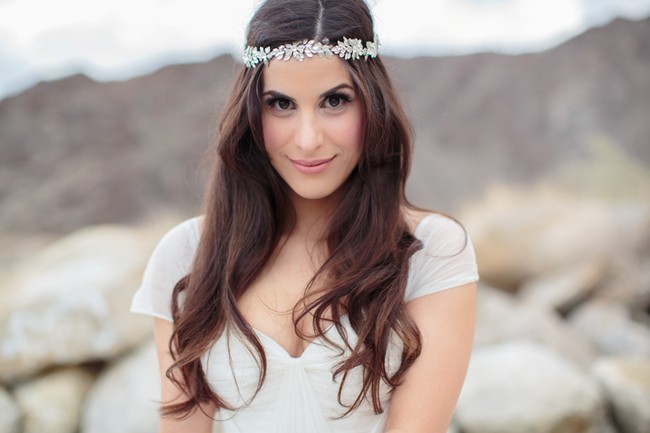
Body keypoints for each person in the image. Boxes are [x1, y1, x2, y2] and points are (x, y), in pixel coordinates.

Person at [131, 0, 479, 432]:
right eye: (281, 104)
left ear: (372, 105)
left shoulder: (431, 251)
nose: (308, 139)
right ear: (251, 114)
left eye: (334, 101)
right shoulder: (188, 253)